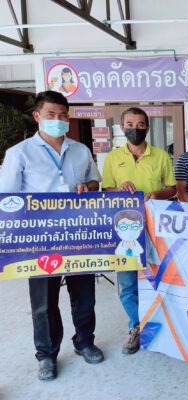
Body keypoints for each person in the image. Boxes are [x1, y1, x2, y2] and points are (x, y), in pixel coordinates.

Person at [0, 90, 103, 381]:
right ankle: (46, 354)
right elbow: (6, 199)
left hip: (79, 236)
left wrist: (88, 187)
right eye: (51, 115)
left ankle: (85, 341)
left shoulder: (81, 150)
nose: (58, 119)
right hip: (39, 240)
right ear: (37, 116)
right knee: (44, 301)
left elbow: (95, 182)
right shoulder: (19, 153)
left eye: (62, 115)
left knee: (84, 295)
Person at [102, 107, 177, 355]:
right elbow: (106, 191)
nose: (136, 128)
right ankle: (136, 326)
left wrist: (157, 194)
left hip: (156, 229)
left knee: (159, 278)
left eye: (141, 124)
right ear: (122, 127)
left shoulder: (161, 156)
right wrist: (118, 190)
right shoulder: (113, 158)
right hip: (125, 231)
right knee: (127, 283)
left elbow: (172, 188)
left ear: (148, 127)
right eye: (130, 124)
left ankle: (162, 324)